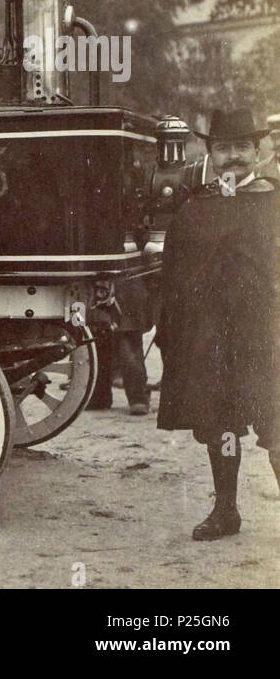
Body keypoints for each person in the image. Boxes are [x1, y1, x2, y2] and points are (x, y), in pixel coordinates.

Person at [155, 108, 280, 540]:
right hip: (213, 340)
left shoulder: (274, 202)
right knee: (221, 425)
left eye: (242, 147)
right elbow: (174, 274)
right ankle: (226, 511)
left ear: (257, 150)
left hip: (266, 337)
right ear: (210, 152)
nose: (233, 157)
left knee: (275, 425)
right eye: (224, 148)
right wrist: (173, 333)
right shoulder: (195, 207)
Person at [87, 277, 152, 415]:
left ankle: (135, 398)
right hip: (111, 278)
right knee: (98, 337)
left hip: (125, 279)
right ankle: (101, 396)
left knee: (126, 338)